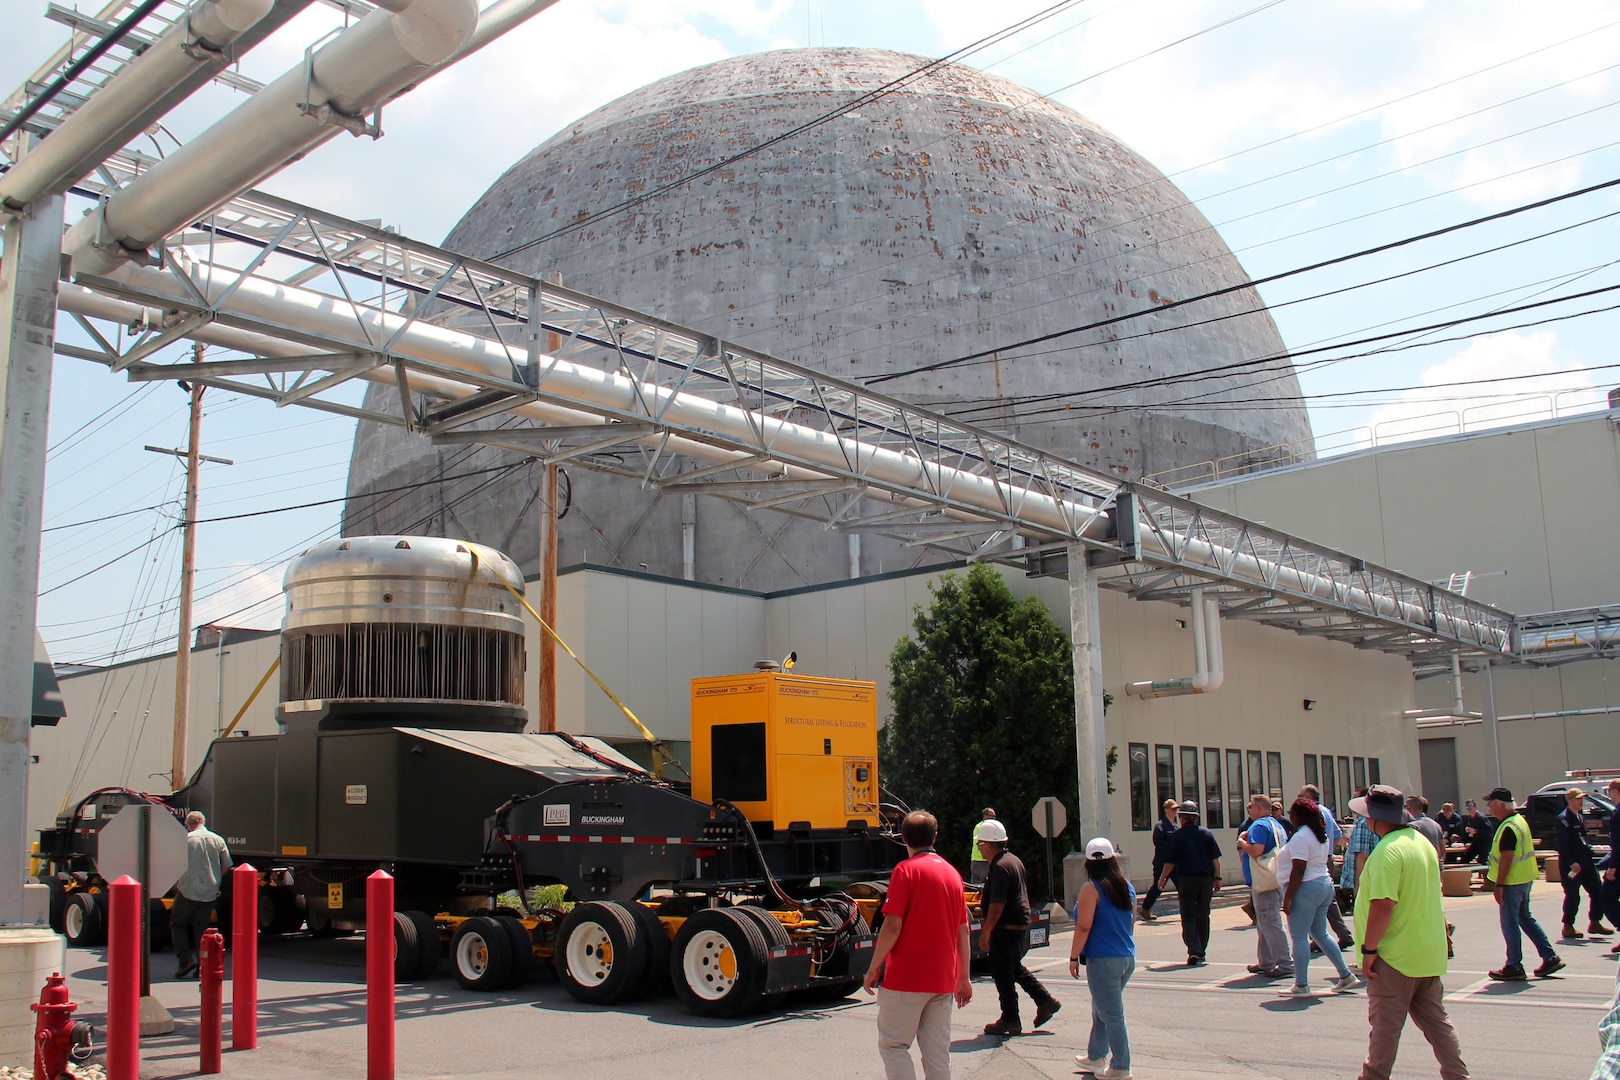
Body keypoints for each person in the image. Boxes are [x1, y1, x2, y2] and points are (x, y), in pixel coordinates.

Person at [1349, 785, 1470, 1080]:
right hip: (1426, 951)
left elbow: (1382, 904)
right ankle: (1458, 1076)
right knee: (1438, 1026)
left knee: (1384, 1033)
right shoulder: (1421, 842)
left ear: (1376, 818)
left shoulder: (1387, 852)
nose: (1364, 822)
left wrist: (1369, 950)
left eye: (1366, 816)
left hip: (1394, 956)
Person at [864, 810, 973, 1080]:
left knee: (894, 1046)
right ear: (935, 837)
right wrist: (964, 977)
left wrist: (873, 967)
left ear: (903, 838)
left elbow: (892, 926)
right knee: (937, 1056)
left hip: (906, 978)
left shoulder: (905, 871)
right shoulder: (952, 874)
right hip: (942, 980)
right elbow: (963, 931)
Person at [976, 818, 1061, 1036]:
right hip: (1018, 924)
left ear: (988, 844)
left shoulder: (1000, 867)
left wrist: (986, 932)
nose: (980, 849)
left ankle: (1010, 1018)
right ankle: (1045, 1000)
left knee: (1002, 972)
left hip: (1006, 927)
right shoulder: (1012, 860)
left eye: (980, 844)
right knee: (1013, 968)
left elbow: (998, 903)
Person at [1068, 838, 1135, 1080]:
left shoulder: (1091, 888)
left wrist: (1074, 956)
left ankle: (1120, 1065)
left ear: (1088, 862)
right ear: (1112, 860)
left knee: (1112, 1014)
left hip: (1103, 958)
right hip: (1125, 955)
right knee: (1102, 1009)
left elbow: (1083, 926)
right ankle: (1096, 1055)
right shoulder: (1126, 886)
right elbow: (1131, 921)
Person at [1279, 798, 1360, 996]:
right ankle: (1345, 975)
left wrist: (1288, 897)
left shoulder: (1301, 837)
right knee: (1320, 933)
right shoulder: (1319, 834)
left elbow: (1298, 869)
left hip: (1305, 887)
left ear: (1299, 815)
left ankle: (1301, 984)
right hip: (1323, 883)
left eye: (1292, 813)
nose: (1290, 816)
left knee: (1299, 936)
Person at [1483, 786, 1564, 981]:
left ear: (1501, 805)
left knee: (1510, 922)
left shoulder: (1509, 826)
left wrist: (1499, 885)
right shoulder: (1519, 821)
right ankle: (1549, 956)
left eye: (1491, 803)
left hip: (1512, 882)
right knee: (1525, 918)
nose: (1488, 806)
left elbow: (1507, 857)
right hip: (1524, 879)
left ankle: (1514, 964)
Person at [1155, 800, 1222, 966]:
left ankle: (1194, 950)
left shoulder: (1177, 836)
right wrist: (1218, 878)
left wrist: (1162, 878)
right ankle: (1201, 950)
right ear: (1195, 818)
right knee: (1203, 914)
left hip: (1186, 880)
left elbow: (1170, 862)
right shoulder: (1206, 834)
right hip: (1206, 880)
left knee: (1188, 915)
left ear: (1182, 818)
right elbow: (1216, 860)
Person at [1236, 793, 1292, 979]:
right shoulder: (1277, 825)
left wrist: (1242, 842)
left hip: (1264, 880)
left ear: (1258, 808)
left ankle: (1285, 962)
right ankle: (1266, 961)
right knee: (1264, 922)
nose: (1249, 809)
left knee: (1270, 920)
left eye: (1251, 806)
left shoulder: (1259, 825)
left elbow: (1256, 850)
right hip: (1276, 878)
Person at [170, 810, 231, 979]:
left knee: (178, 924)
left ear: (188, 825)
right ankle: (203, 965)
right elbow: (226, 865)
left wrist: (177, 883)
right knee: (202, 930)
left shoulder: (187, 840)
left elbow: (175, 865)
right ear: (203, 822)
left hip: (188, 890)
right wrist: (215, 879)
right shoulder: (218, 840)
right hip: (209, 892)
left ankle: (185, 961)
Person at [1299, 783, 1355, 949]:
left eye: (1300, 797)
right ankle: (1342, 934)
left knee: (1314, 897)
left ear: (1308, 798)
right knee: (1327, 899)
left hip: (1314, 860)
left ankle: (1319, 936)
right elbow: (1338, 835)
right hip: (1326, 857)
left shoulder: (1312, 813)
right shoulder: (1327, 812)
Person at [1555, 788, 1613, 939]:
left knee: (1597, 891)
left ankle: (1595, 922)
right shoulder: (1564, 819)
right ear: (1570, 800)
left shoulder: (1579, 817)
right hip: (1572, 866)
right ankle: (1568, 925)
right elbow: (1562, 845)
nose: (1581, 802)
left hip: (1586, 863)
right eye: (1578, 799)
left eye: (1582, 799)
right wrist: (1571, 862)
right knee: (1573, 896)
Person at [1138, 799, 1179, 922]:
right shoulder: (1160, 826)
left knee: (1182, 886)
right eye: (1172, 809)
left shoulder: (1176, 827)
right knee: (1158, 887)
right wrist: (1172, 847)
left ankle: (1189, 911)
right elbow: (1158, 843)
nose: (1175, 811)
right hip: (1162, 862)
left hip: (1174, 863)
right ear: (1166, 810)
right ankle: (1145, 908)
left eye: (1176, 809)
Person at [1341, 790, 1379, 907]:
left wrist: (1359, 888)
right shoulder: (1371, 821)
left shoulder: (1364, 823)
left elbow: (1362, 855)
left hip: (1364, 883)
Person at [1598, 778, 1620, 956]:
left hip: (1619, 864)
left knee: (1607, 898)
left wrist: (1613, 866)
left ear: (1615, 791)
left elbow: (1618, 843)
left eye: (1609, 792)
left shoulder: (1618, 813)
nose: (1609, 795)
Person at [1406, 796, 1446, 862]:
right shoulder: (1436, 825)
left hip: (1420, 867)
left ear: (1408, 808)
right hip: (1435, 867)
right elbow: (1443, 851)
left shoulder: (1412, 826)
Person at [969, 808, 998, 885]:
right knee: (978, 887)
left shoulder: (992, 827)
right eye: (992, 817)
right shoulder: (980, 827)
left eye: (994, 817)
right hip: (979, 861)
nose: (994, 819)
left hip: (989, 860)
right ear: (985, 816)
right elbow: (980, 844)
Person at [1461, 800, 1495, 866]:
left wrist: (1476, 831)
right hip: (1477, 841)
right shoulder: (1470, 818)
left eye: (1471, 806)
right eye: (1467, 806)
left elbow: (1489, 830)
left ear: (1475, 807)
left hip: (1485, 843)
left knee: (1482, 861)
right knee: (1465, 858)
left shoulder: (1481, 817)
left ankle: (1485, 875)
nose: (1469, 808)